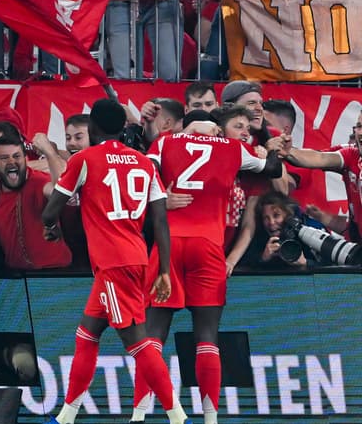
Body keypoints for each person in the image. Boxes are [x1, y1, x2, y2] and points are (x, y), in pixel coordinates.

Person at [131, 107, 283, 424]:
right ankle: (210, 417)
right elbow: (272, 169)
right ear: (215, 127)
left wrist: (161, 197)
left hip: (169, 243)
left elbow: (143, 174)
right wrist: (268, 144)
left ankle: (139, 414)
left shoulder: (165, 141)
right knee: (206, 335)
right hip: (209, 246)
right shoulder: (233, 148)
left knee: (154, 335)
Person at [41, 99, 189, 424]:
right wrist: (163, 270)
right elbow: (161, 222)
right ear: (123, 128)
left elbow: (50, 210)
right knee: (87, 333)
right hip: (136, 256)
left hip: (112, 263)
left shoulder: (84, 159)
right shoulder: (144, 162)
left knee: (135, 342)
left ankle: (177, 417)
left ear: (92, 128)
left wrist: (51, 228)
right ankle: (66, 416)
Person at [0, 133, 72, 270]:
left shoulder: (39, 181)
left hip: (55, 271)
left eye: (17, 156)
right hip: (17, 275)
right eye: (4, 158)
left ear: (25, 159)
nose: (11, 162)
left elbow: (62, 193)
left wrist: (50, 153)